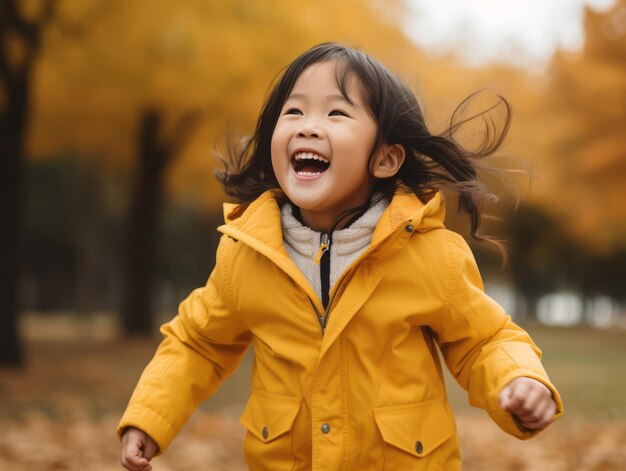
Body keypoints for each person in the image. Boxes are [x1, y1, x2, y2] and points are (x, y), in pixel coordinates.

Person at [118, 43, 563, 471]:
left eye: (336, 113)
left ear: (386, 159)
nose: (307, 126)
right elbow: (198, 344)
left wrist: (518, 379)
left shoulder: (429, 252)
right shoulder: (246, 256)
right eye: (293, 112)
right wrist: (149, 417)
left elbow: (484, 340)